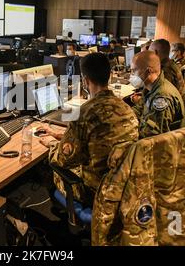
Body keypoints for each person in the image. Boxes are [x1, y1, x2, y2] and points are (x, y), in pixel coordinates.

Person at [38, 53, 139, 205]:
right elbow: (95, 138)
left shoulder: (84, 114)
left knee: (46, 167)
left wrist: (52, 143)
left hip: (94, 192)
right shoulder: (126, 108)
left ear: (85, 81)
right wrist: (59, 135)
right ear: (109, 76)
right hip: (122, 186)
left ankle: (55, 214)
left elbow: (63, 160)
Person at [130, 50, 185, 138]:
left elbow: (153, 135)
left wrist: (128, 132)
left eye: (134, 71)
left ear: (148, 71)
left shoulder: (162, 97)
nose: (131, 75)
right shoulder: (150, 87)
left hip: (160, 147)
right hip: (145, 132)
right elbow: (140, 108)